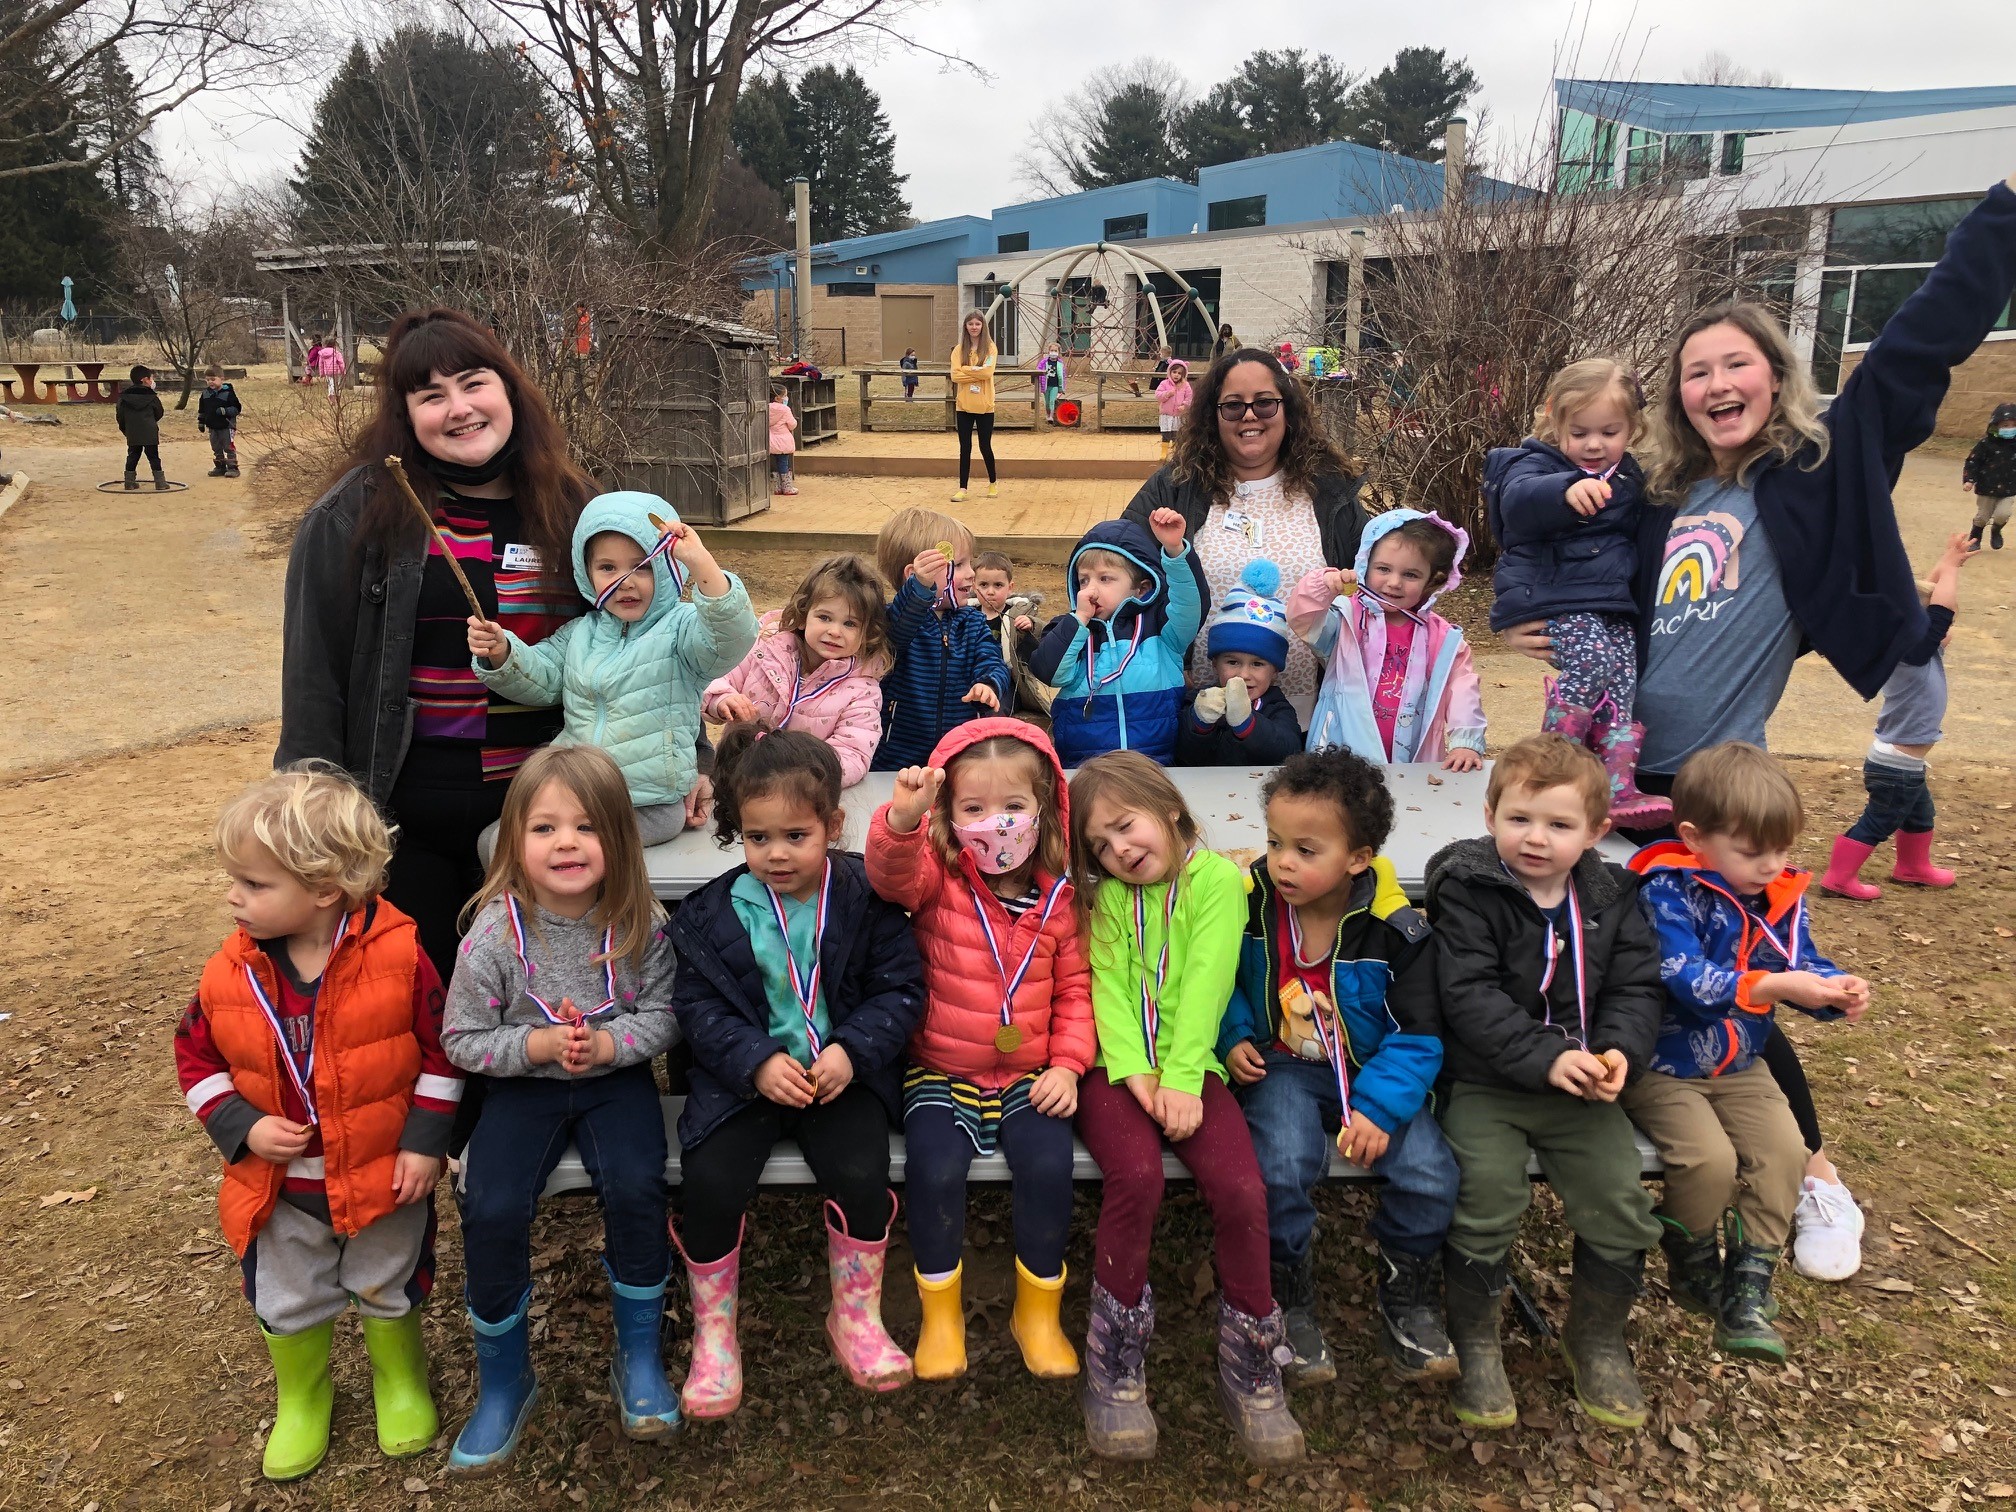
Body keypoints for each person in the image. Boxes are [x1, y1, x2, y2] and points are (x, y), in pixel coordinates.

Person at [1501, 176, 2016, 1279]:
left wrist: (2004, 213)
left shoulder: (1822, 467)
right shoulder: (1663, 497)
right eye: (1695, 372)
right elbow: (1566, 557)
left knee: (1754, 977)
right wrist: (1552, 626)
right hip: (1620, 776)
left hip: (1718, 784)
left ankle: (1817, 1174)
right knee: (1632, 966)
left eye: (1736, 363)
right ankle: (1638, 1127)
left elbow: (1925, 338)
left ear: (1775, 376)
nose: (1715, 383)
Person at [280, 308, 598, 988]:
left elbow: (646, 637)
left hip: (542, 814)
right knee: (422, 1006)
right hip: (400, 821)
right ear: (405, 416)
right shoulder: (353, 514)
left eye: (473, 383)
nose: (459, 409)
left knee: (534, 1004)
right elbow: (314, 679)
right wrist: (311, 812)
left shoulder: (575, 508)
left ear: (508, 390)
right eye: (431, 396)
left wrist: (690, 757)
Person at [175, 765, 458, 1482]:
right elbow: (194, 1056)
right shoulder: (227, 973)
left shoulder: (400, 957)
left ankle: (400, 1380)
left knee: (385, 1277)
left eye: (255, 884)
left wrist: (426, 1144)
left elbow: (442, 1050)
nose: (233, 897)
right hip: (278, 1184)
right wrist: (238, 1123)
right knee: (289, 1289)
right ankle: (303, 1393)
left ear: (326, 889)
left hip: (381, 1171)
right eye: (234, 879)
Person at [669, 724, 926, 1414]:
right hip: (744, 1083)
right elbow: (695, 1009)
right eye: (758, 838)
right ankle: (714, 1334)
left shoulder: (867, 901)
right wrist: (754, 1061)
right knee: (711, 1180)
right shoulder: (710, 914)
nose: (776, 855)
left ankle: (855, 1316)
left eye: (795, 836)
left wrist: (851, 1050)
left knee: (862, 1170)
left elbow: (900, 991)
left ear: (833, 825)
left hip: (840, 1076)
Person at [441, 745, 683, 1468]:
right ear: (514, 840)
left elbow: (669, 1014)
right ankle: (505, 1384)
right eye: (544, 828)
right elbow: (461, 1038)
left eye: (586, 826)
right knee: (489, 1201)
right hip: (522, 1089)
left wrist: (610, 1048)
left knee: (640, 1184)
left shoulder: (644, 923)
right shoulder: (493, 934)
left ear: (620, 836)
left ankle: (639, 1360)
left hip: (616, 1080)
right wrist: (537, 1048)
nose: (567, 843)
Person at [1423, 735, 1666, 1431]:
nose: (1535, 839)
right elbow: (1466, 995)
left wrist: (1619, 1050)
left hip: (1580, 1090)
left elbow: (1635, 986)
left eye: (1559, 826)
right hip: (1485, 1083)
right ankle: (1477, 1341)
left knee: (1619, 1198)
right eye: (1520, 818)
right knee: (1488, 1193)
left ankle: (1595, 1337)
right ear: (1491, 811)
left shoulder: (1612, 895)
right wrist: (1542, 1056)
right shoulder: (1470, 889)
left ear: (1597, 832)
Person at [1069, 753, 1304, 1467]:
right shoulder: (1103, 895)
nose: (1118, 851)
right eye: (1099, 846)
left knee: (1240, 1189)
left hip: (1194, 1064)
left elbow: (1207, 982)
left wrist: (1177, 1078)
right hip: (1115, 1067)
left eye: (1124, 827)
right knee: (1135, 1176)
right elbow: (1107, 985)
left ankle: (1252, 1360)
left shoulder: (1218, 883)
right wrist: (1137, 1074)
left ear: (1169, 808)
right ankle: (1114, 1361)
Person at [1623, 743, 1870, 1364]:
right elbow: (1683, 976)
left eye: (1782, 850)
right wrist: (1775, 988)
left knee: (1787, 1152)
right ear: (1694, 837)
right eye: (1752, 851)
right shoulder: (1666, 890)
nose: (1771, 865)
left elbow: (1799, 963)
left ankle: (1750, 1286)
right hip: (1665, 1066)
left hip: (1741, 1065)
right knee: (1706, 1161)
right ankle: (1693, 1255)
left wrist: (1831, 991)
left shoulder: (1780, 897)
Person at [1217, 748, 1454, 1392]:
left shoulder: (1395, 930)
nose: (1282, 861)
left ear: (1358, 857)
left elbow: (1419, 1032)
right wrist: (1235, 1033)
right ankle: (1286, 1294)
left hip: (1374, 1071)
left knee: (1431, 1173)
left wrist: (1378, 1108)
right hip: (1284, 1068)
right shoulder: (1248, 908)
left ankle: (1406, 1293)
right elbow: (1217, 981)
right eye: (1273, 842)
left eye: (1305, 849)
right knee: (1280, 1166)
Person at [868, 720, 1093, 1382]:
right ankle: (942, 1316)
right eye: (973, 809)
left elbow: (1077, 993)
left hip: (1032, 1077)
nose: (995, 824)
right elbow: (889, 876)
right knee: (934, 1173)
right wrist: (901, 822)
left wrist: (1068, 1065)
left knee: (1049, 1170)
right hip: (940, 1069)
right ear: (949, 816)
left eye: (1013, 807)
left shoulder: (1060, 899)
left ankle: (1037, 1312)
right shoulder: (938, 881)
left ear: (1046, 808)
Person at [467, 492, 757, 850]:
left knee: (522, 850)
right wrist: (503, 652)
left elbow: (730, 637)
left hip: (647, 805)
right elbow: (540, 679)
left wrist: (702, 565)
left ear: (670, 569)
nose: (626, 581)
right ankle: (520, 908)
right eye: (608, 568)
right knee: (490, 843)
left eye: (644, 566)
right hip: (576, 794)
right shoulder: (580, 634)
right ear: (586, 573)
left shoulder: (683, 630)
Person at [1122, 347, 1367, 715]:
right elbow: (1119, 565)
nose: (1249, 415)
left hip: (1316, 714)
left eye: (1265, 403)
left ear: (1287, 409)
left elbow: (1372, 585)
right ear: (1213, 415)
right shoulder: (1177, 486)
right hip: (1198, 715)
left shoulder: (1331, 489)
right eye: (1234, 405)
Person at [1484, 358, 1665, 823]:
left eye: (1609, 431)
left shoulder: (1628, 476)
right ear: (1554, 420)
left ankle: (1615, 785)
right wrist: (1565, 490)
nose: (1593, 444)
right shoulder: (1532, 465)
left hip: (1607, 604)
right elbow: (1518, 499)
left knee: (1624, 677)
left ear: (1632, 429)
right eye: (1579, 431)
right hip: (1555, 599)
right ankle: (1552, 768)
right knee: (1590, 664)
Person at [1822, 531, 1972, 900]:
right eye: (1938, 626)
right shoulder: (1913, 654)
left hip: (1901, 763)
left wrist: (1946, 558)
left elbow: (1927, 599)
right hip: (1896, 768)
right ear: (1921, 628)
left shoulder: (1911, 647)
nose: (1946, 630)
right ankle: (1838, 879)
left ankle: (1913, 867)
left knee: (1920, 814)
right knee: (1880, 819)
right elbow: (1942, 608)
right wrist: (1951, 569)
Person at [1289, 509, 1487, 770]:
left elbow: (1462, 687)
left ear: (1432, 581)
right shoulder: (1346, 619)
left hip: (1413, 758)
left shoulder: (1441, 638)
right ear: (1364, 565)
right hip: (1340, 754)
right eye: (1383, 569)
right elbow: (1303, 619)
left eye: (1411, 575)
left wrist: (1466, 740)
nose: (1394, 583)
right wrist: (1323, 584)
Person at [1030, 510, 1204, 767]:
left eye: (1105, 579)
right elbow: (1049, 672)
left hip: (1155, 767)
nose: (1091, 589)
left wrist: (1175, 550)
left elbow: (1189, 604)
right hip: (1085, 770)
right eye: (1084, 580)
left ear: (1142, 587)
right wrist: (1078, 620)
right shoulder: (1069, 629)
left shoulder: (1162, 628)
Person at [704, 554, 888, 786]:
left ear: (867, 634)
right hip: (736, 780)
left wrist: (803, 773)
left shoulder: (863, 688)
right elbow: (713, 678)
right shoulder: (765, 649)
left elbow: (854, 754)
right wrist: (722, 700)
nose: (834, 631)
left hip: (800, 796)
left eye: (850, 623)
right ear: (802, 617)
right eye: (824, 617)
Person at [871, 507, 1010, 770]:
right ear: (916, 576)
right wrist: (919, 592)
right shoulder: (897, 619)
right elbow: (895, 638)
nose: (972, 573)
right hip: (897, 757)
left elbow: (992, 660)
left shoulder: (972, 621)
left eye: (970, 563)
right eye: (958, 565)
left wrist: (988, 683)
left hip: (959, 754)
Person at [1177, 559, 1305, 766]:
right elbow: (1181, 750)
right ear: (1215, 663)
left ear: (1274, 671)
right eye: (1233, 662)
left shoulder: (1277, 707)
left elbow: (1289, 751)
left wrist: (1247, 724)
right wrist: (1199, 719)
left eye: (1257, 664)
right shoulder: (1197, 700)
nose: (1243, 675)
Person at [970, 549, 1048, 716]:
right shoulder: (967, 615)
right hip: (974, 676)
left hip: (1010, 680)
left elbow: (1043, 641)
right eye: (984, 585)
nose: (990, 591)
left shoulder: (1017, 614)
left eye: (998, 585)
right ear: (974, 586)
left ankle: (995, 735)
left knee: (995, 709)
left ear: (1010, 588)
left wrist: (1030, 626)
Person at [950, 310, 999, 502]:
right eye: (970, 324)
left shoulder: (990, 348)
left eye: (977, 324)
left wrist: (966, 370)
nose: (974, 327)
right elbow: (955, 375)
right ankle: (963, 487)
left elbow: (988, 374)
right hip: (964, 405)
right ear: (966, 326)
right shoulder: (958, 350)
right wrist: (975, 370)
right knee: (965, 447)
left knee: (985, 445)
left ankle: (993, 483)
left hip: (985, 405)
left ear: (983, 326)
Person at [1962, 401, 2016, 548]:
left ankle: (1996, 529)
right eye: (2005, 425)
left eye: (2013, 425)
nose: (2010, 428)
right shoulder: (1986, 444)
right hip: (1987, 487)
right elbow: (1973, 461)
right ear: (1996, 425)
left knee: (2003, 514)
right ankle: (1976, 535)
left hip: (2009, 489)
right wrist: (1969, 480)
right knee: (1982, 516)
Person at [117, 363, 166, 491]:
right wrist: (151, 422)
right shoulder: (152, 396)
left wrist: (126, 429)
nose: (152, 381)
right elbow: (159, 412)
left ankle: (129, 482)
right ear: (144, 379)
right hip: (149, 431)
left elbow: (120, 416)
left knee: (132, 455)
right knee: (153, 456)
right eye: (150, 378)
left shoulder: (124, 397)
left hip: (133, 432)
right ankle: (160, 483)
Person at [198, 366, 243, 479]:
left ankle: (233, 467)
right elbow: (202, 410)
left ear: (221, 379)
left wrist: (225, 411)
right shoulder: (205, 394)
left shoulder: (228, 393)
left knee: (228, 447)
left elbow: (237, 409)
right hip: (213, 426)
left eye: (213, 379)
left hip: (227, 426)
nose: (210, 382)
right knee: (216, 447)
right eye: (208, 380)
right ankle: (220, 466)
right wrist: (201, 422)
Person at [1154, 358, 1192, 461]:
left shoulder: (1185, 385)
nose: (1176, 375)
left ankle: (1176, 452)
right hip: (1166, 414)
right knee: (1166, 434)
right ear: (1170, 371)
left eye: (1179, 373)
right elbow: (1158, 395)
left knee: (1176, 435)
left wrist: (1184, 406)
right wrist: (1167, 394)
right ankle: (1164, 451)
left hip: (1178, 415)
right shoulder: (1164, 384)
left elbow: (1189, 397)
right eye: (1174, 372)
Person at [768, 383, 799, 496]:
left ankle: (776, 487)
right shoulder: (785, 409)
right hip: (783, 442)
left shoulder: (766, 408)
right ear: (777, 397)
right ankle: (787, 487)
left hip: (771, 441)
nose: (786, 398)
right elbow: (792, 425)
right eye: (785, 395)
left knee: (774, 464)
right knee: (784, 463)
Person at [1038, 340, 1068, 421]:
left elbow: (1063, 376)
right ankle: (1047, 414)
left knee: (1052, 401)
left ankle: (1051, 416)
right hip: (1046, 386)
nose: (1053, 352)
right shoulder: (1044, 362)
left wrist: (1062, 387)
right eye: (1052, 350)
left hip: (1055, 386)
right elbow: (1038, 370)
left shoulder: (1060, 363)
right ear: (1048, 351)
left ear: (1058, 352)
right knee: (1047, 403)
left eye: (1055, 351)